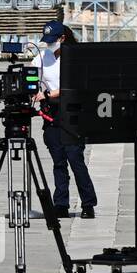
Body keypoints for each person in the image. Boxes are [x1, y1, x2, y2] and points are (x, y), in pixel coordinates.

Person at [33, 21, 97, 219]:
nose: (50, 45)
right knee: (58, 161)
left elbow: (76, 85)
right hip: (51, 114)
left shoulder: (75, 59)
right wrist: (34, 91)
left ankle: (88, 203)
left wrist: (49, 93)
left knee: (75, 159)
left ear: (63, 39)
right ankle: (61, 203)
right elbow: (31, 78)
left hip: (72, 113)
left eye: (54, 41)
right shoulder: (41, 57)